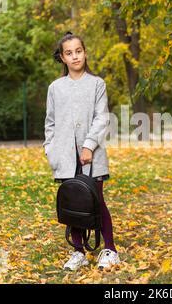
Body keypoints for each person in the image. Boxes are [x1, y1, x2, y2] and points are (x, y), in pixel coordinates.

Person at [43, 31, 120, 271]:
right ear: (63, 58)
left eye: (78, 51)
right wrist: (51, 150)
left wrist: (88, 145)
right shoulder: (55, 88)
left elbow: (101, 118)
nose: (75, 56)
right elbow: (50, 123)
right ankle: (78, 252)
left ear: (84, 53)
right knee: (73, 203)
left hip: (92, 156)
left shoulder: (97, 84)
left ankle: (110, 250)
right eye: (69, 53)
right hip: (64, 157)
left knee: (97, 202)